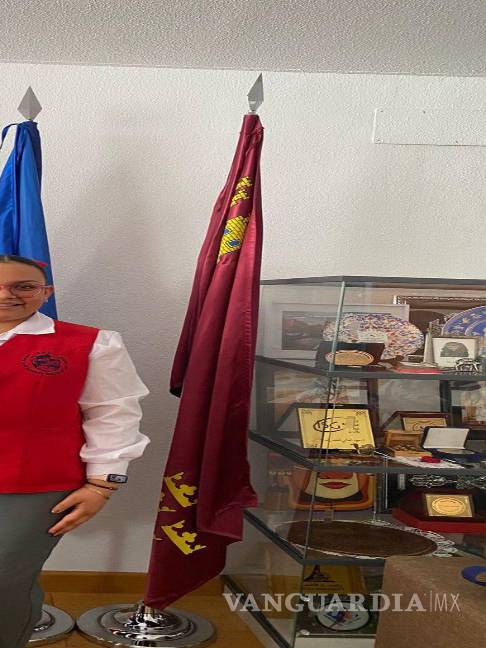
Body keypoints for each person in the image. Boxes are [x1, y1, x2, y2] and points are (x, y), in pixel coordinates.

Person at [0, 253, 150, 648]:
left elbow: (112, 413)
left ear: (46, 292)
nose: (6, 295)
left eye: (23, 286)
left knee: (4, 579)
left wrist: (103, 485)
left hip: (33, 485)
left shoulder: (90, 343)